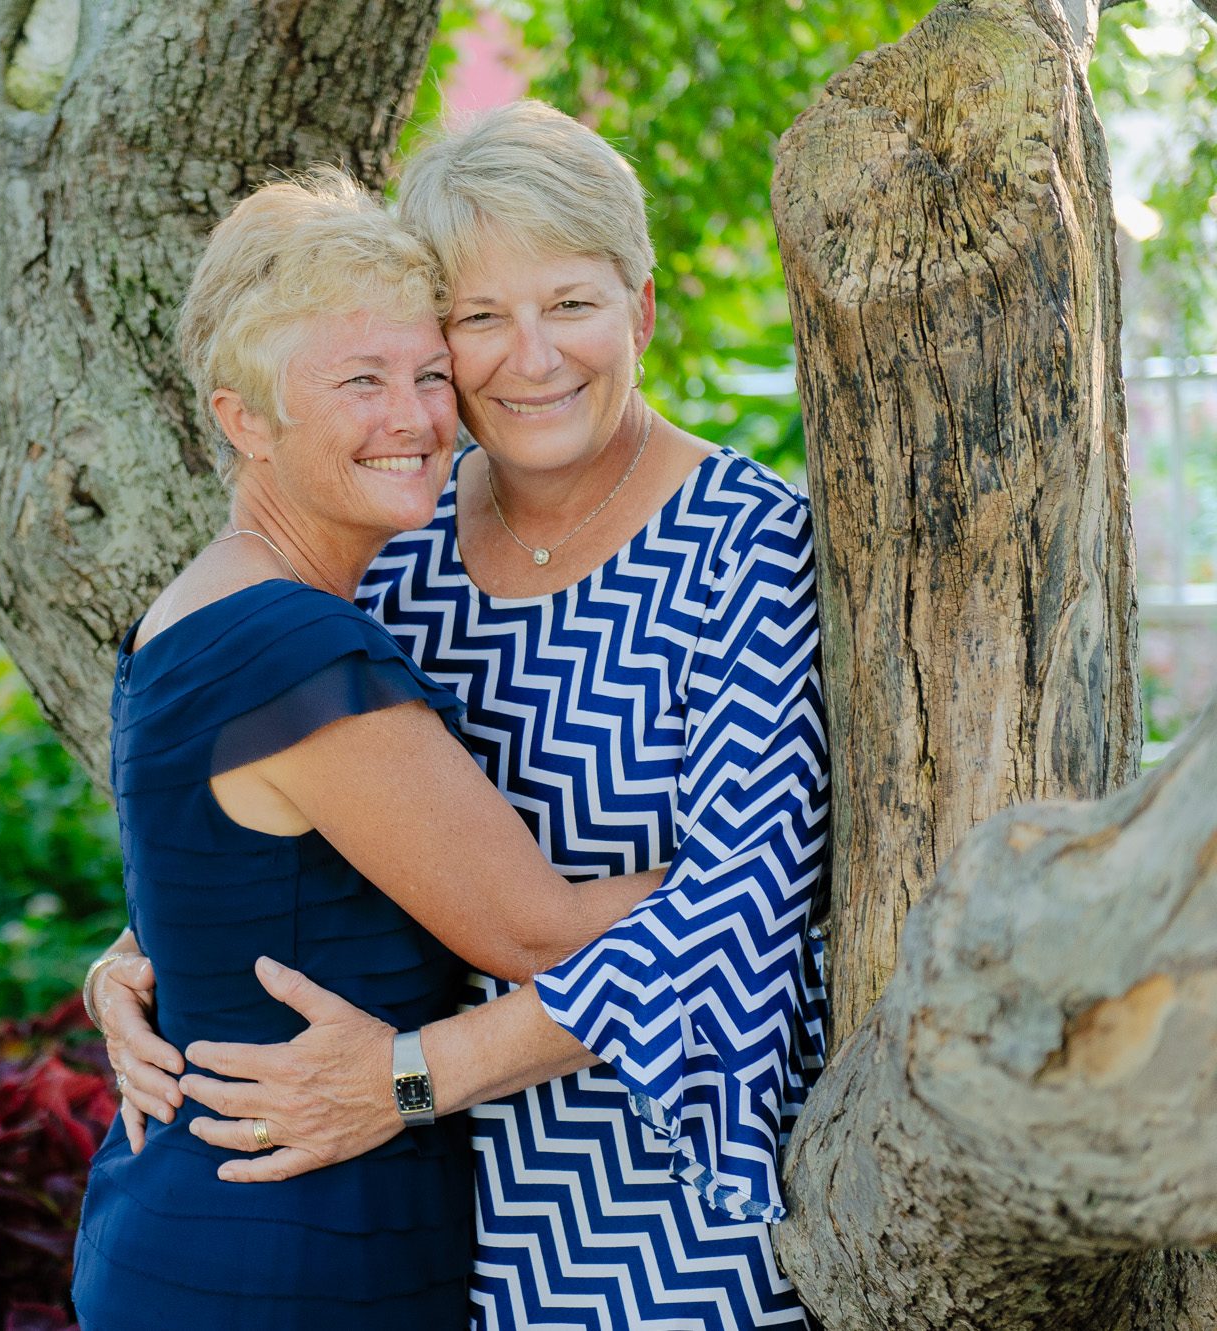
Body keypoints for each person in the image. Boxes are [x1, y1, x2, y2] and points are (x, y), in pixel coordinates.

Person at [89, 102, 830, 1329]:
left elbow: (739, 916)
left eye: (570, 304)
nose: (529, 357)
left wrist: (406, 1079)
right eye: (479, 320)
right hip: (406, 1218)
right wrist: (144, 953)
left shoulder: (745, 545)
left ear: (639, 310)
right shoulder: (402, 536)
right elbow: (304, 815)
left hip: (648, 1219)